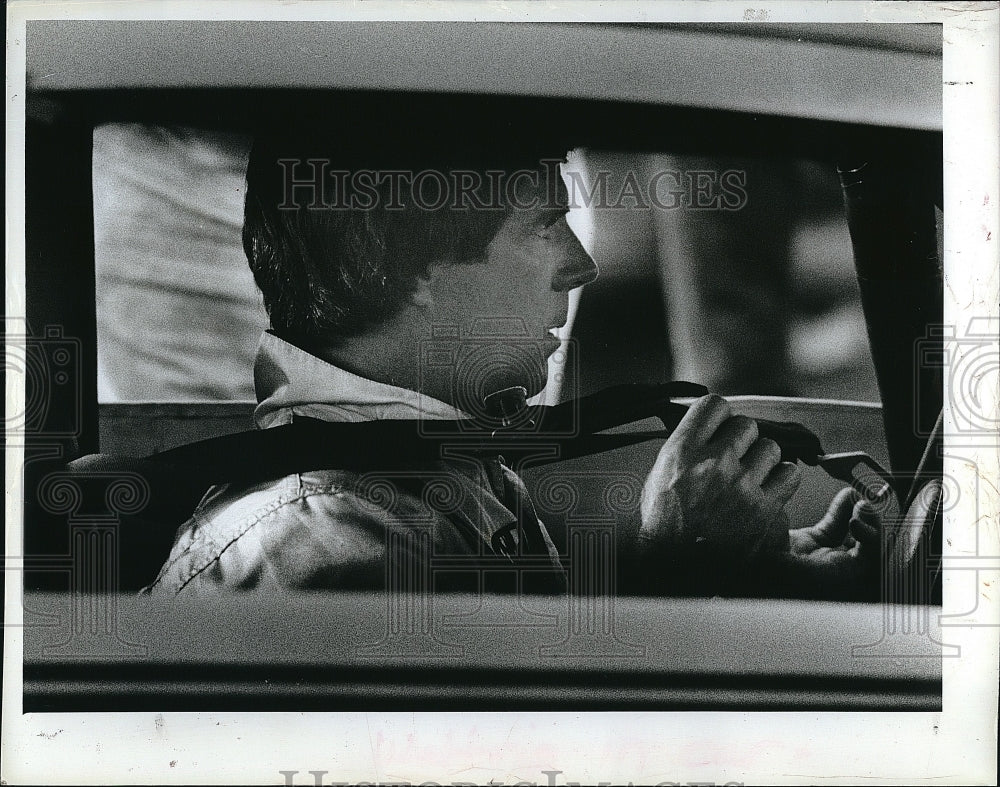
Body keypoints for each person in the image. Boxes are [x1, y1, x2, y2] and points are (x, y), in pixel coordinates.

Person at [146, 123, 878, 599]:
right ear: (418, 269)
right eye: (545, 226)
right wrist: (678, 567)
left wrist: (738, 569)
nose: (581, 265)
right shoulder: (322, 553)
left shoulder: (436, 466)